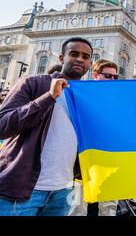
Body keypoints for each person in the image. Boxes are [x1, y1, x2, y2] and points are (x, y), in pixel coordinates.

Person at [0, 37, 92, 216]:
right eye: (74, 54)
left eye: (85, 56)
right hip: (21, 190)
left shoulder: (88, 99)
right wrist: (48, 97)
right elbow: (3, 125)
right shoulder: (33, 83)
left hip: (63, 192)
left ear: (90, 62)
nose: (80, 59)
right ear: (61, 58)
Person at [69, 59, 120, 216]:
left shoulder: (119, 99)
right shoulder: (80, 95)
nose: (112, 80)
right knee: (78, 206)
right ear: (96, 75)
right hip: (83, 160)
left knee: (109, 205)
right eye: (108, 76)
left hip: (111, 159)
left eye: (115, 77)